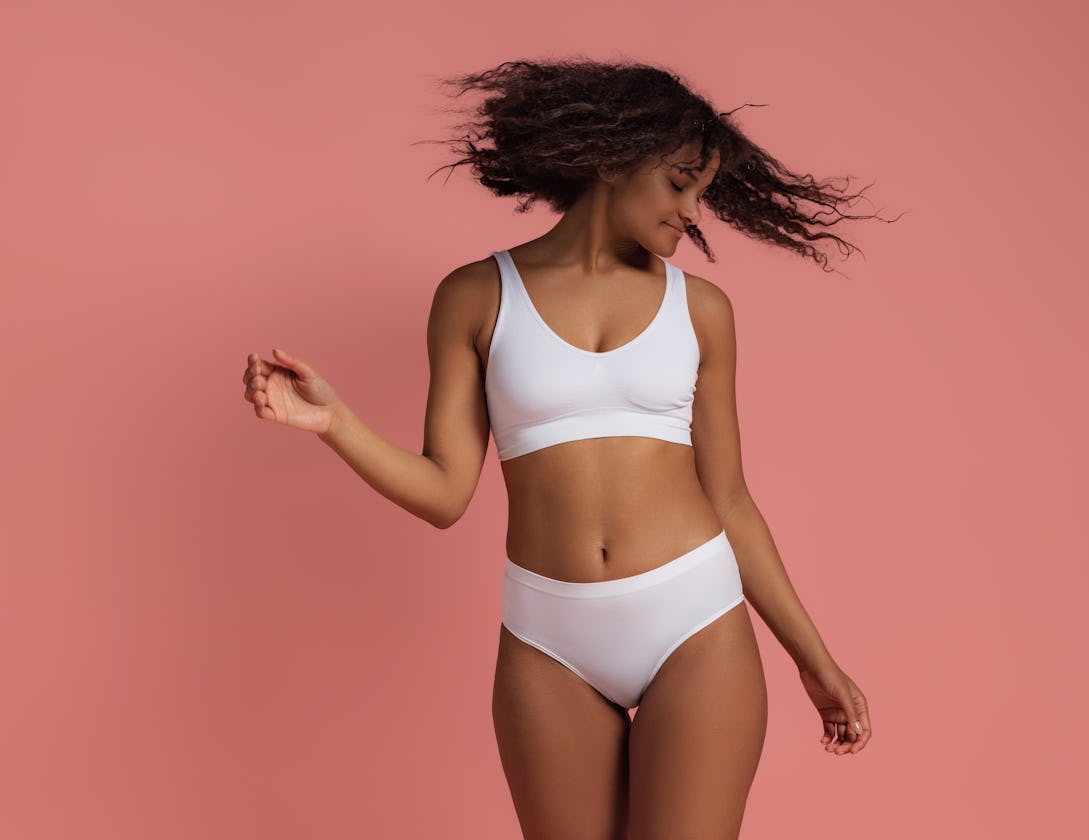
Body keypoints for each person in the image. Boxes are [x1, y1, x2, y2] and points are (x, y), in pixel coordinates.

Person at [241, 58, 878, 840]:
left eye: (702, 192)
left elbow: (732, 500)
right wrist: (336, 423)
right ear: (612, 161)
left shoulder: (702, 310)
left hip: (694, 619)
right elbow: (445, 493)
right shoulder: (476, 296)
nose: (693, 211)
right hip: (548, 639)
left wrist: (815, 660)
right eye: (680, 184)